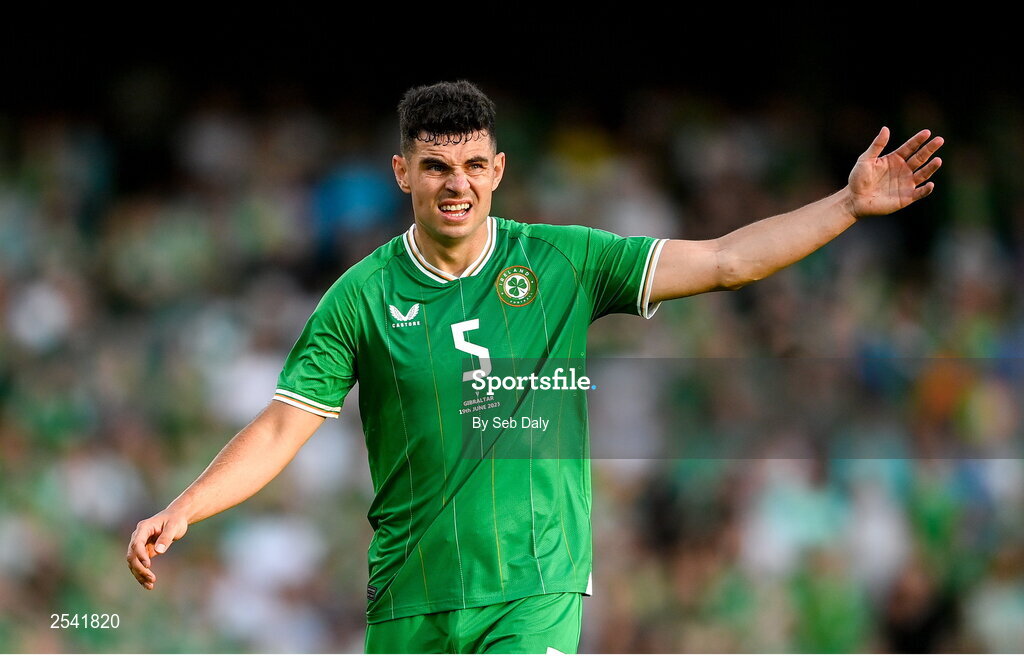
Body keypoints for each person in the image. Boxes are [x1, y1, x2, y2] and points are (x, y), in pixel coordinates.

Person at [126, 80, 944, 653]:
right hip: (409, 595)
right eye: (438, 166)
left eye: (475, 166)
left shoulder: (563, 261)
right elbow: (281, 427)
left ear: (499, 170)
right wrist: (188, 506)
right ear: (403, 172)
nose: (458, 184)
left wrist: (845, 207)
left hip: (533, 586)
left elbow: (728, 259)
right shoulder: (360, 297)